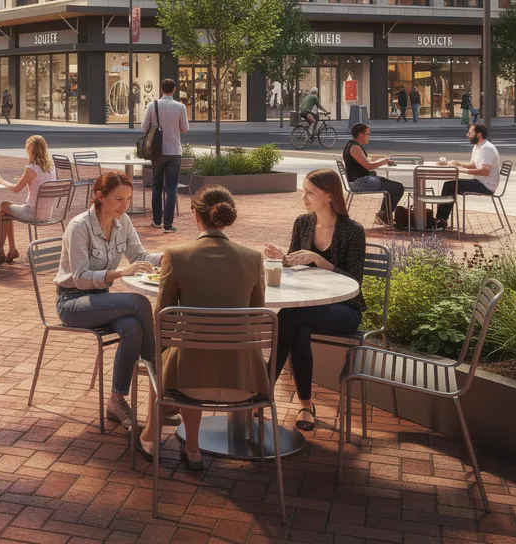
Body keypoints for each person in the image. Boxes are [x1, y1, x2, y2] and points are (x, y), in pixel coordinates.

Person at [134, 185, 268, 469]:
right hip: (245, 382)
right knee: (184, 353)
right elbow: (256, 320)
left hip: (187, 385)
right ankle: (180, 443)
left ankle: (182, 445)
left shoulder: (176, 255)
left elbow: (163, 322)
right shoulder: (254, 258)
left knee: (168, 354)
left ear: (195, 215)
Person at [55, 171, 161, 428]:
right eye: (118, 199)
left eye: (128, 199)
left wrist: (175, 257)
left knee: (133, 327)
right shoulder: (79, 226)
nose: (124, 206)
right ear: (99, 197)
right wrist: (120, 273)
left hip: (102, 300)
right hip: (72, 303)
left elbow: (140, 255)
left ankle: (116, 400)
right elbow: (79, 278)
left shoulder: (122, 222)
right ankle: (159, 376)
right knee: (140, 303)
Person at [263, 169, 366, 432]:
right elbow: (295, 264)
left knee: (289, 316)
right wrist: (282, 258)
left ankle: (262, 390)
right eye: (304, 192)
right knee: (298, 328)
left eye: (310, 192)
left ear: (329, 195)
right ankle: (306, 404)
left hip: (345, 309)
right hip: (310, 308)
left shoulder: (353, 231)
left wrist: (321, 261)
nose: (305, 198)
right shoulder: (304, 223)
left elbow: (354, 282)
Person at [0, 135, 56, 264]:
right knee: (6, 213)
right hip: (48, 213)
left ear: (30, 149)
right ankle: (11, 249)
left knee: (4, 206)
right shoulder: (50, 167)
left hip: (33, 213)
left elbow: (15, 189)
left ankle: (2, 250)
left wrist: (1, 181)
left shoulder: (31, 168)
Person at [141, 78, 189, 233]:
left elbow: (144, 128)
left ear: (161, 90)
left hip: (157, 152)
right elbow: (185, 128)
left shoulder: (152, 105)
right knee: (171, 188)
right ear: (174, 90)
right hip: (174, 151)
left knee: (156, 186)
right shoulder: (180, 107)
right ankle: (168, 225)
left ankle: (156, 220)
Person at [433, 122, 501, 229]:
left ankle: (441, 219)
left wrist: (462, 171)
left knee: (450, 186)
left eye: (470, 133)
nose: (467, 135)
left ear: (478, 134)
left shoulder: (486, 148)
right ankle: (441, 219)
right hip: (479, 182)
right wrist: (458, 164)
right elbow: (473, 164)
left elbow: (484, 171)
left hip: (486, 185)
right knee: (449, 185)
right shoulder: (478, 146)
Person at [343, 123, 403, 227]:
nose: (369, 136)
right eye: (368, 134)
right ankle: (383, 215)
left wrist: (379, 159)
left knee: (390, 186)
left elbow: (363, 161)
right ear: (361, 135)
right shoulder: (355, 148)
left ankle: (383, 215)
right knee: (398, 188)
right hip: (360, 182)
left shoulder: (353, 145)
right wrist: (384, 161)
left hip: (361, 180)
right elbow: (369, 166)